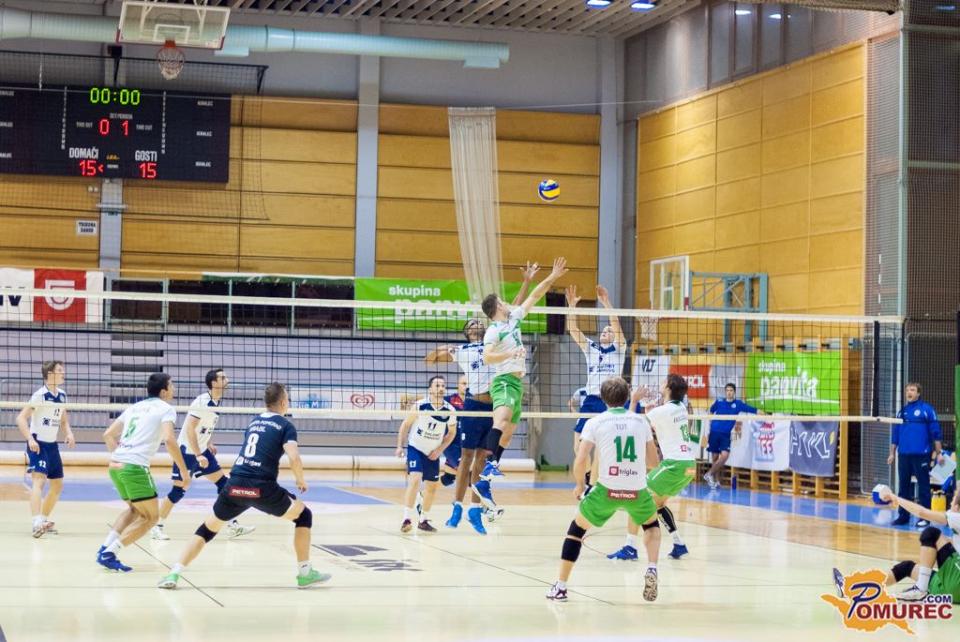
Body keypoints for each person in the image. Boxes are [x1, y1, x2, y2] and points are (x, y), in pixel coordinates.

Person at [158, 382, 330, 589]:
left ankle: (174, 573)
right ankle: (305, 573)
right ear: (284, 402)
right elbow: (294, 457)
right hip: (261, 488)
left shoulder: (254, 422)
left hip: (234, 485)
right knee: (304, 516)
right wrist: (300, 479)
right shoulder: (286, 426)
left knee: (207, 529)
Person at [425, 263, 539, 532]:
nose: (475, 325)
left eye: (478, 322)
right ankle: (456, 507)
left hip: (495, 403)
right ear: (467, 332)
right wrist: (443, 349)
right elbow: (429, 359)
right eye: (471, 324)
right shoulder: (463, 351)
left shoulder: (496, 337)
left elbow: (514, 309)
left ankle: (475, 510)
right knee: (465, 457)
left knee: (483, 458)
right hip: (473, 404)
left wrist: (526, 282)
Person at [545, 377, 661, 602]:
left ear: (603, 398)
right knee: (651, 526)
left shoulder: (595, 422)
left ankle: (561, 587)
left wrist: (580, 485)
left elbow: (581, 459)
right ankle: (652, 567)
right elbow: (654, 462)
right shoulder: (641, 422)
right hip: (637, 491)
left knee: (576, 530)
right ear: (627, 397)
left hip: (606, 490)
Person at [481, 256, 568, 479]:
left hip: (517, 383)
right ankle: (488, 463)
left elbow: (535, 295)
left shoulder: (514, 319)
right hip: (504, 381)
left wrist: (553, 276)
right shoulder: (494, 330)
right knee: (501, 421)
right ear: (498, 306)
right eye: (502, 301)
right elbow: (487, 357)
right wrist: (510, 354)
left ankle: (492, 467)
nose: (507, 302)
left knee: (509, 433)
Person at [98, 373, 191, 572]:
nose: (174, 389)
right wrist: (184, 471)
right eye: (172, 385)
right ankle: (109, 553)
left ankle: (105, 548)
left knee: (134, 510)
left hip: (115, 465)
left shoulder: (134, 407)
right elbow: (169, 440)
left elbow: (108, 434)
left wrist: (120, 456)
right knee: (151, 518)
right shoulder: (166, 409)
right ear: (164, 391)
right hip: (135, 467)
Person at [151, 368, 254, 540]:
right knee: (178, 490)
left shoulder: (216, 402)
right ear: (214, 383)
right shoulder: (202, 401)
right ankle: (156, 527)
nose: (227, 380)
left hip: (201, 450)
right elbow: (190, 428)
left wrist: (208, 442)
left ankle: (233, 525)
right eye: (223, 378)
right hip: (187, 451)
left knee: (224, 485)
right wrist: (199, 454)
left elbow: (204, 427)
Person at [608, 375, 696, 562]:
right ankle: (679, 544)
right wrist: (651, 411)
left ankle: (630, 547)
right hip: (689, 465)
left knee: (636, 497)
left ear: (669, 387)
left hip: (674, 464)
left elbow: (630, 424)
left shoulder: (663, 411)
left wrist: (634, 400)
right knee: (658, 505)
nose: (661, 383)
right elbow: (661, 422)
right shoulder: (680, 407)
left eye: (664, 382)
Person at [833, 485, 959, 603]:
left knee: (931, 533)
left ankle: (921, 589)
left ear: (958, 507)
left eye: (953, 499)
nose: (950, 502)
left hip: (956, 582)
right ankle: (849, 587)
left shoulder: (956, 517)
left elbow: (921, 513)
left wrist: (894, 497)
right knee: (906, 567)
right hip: (951, 589)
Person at [565, 283, 626, 496]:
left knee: (601, 447)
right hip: (590, 401)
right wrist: (571, 307)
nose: (606, 332)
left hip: (609, 401)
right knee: (578, 447)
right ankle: (590, 478)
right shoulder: (591, 349)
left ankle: (594, 484)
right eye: (603, 330)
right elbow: (573, 330)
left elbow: (615, 324)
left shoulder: (619, 349)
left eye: (609, 331)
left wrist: (606, 302)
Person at [16, 360, 75, 537]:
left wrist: (69, 433)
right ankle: (36, 523)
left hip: (52, 445)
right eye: (60, 370)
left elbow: (63, 421)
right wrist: (29, 439)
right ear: (50, 374)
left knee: (57, 485)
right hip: (38, 443)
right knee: (39, 481)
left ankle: (43, 519)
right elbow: (20, 418)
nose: (63, 373)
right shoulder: (39, 395)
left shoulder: (62, 395)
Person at [395, 376, 457, 533]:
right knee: (415, 479)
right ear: (430, 389)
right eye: (437, 385)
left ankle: (423, 520)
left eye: (443, 386)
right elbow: (405, 425)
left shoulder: (450, 410)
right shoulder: (420, 405)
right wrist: (400, 446)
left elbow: (451, 433)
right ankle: (406, 519)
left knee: (432, 487)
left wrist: (440, 450)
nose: (441, 388)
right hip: (415, 448)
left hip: (433, 452)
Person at [889, 382, 943, 527]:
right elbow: (895, 434)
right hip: (904, 455)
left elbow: (935, 432)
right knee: (903, 487)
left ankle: (925, 518)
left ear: (918, 393)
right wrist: (892, 453)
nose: (909, 392)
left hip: (921, 455)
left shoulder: (927, 410)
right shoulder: (902, 412)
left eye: (912, 390)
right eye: (907, 390)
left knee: (923, 486)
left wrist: (939, 453)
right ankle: (903, 516)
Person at [702, 383, 758, 489]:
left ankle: (708, 474)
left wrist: (765, 413)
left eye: (731, 390)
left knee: (724, 456)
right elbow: (711, 411)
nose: (729, 392)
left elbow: (753, 410)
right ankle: (715, 481)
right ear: (725, 392)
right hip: (714, 432)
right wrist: (708, 428)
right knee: (715, 458)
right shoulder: (719, 401)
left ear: (734, 392)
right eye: (727, 390)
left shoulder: (738, 404)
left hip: (725, 434)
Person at [439, 374, 468, 488]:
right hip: (450, 443)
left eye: (469, 384)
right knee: (468, 475)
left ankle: (423, 494)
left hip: (467, 444)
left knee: (448, 479)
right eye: (464, 384)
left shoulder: (475, 402)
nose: (466, 387)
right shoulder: (447, 401)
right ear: (458, 385)